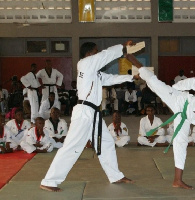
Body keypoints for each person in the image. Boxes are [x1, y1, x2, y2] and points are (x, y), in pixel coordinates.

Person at [126, 54, 195, 189]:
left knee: (180, 143)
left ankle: (177, 180)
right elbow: (193, 81)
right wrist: (175, 89)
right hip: (179, 100)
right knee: (154, 82)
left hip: (184, 118)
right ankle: (130, 57)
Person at [40, 41, 136, 192]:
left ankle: (115, 175)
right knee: (72, 146)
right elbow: (106, 55)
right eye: (96, 51)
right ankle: (49, 181)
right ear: (90, 53)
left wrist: (130, 77)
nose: (98, 53)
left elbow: (110, 79)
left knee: (106, 142)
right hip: (84, 111)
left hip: (93, 113)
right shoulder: (86, 63)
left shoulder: (94, 71)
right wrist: (123, 47)